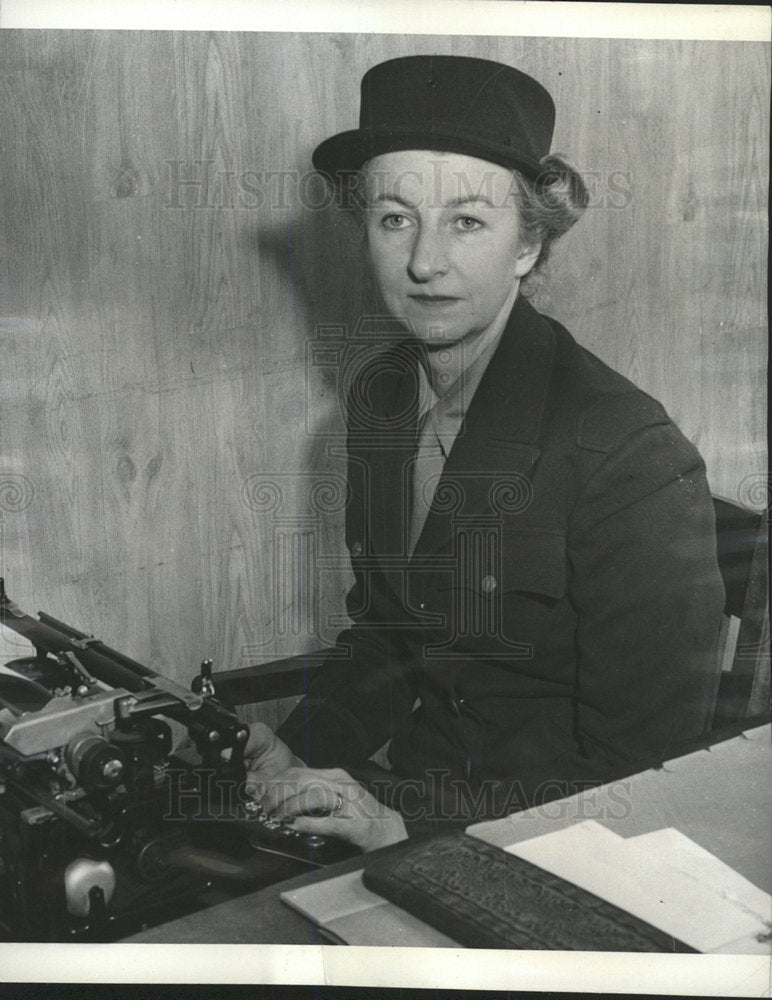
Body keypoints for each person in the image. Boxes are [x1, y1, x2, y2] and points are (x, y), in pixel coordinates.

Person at [244, 56, 725, 852]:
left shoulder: (630, 456)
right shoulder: (383, 398)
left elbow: (645, 769)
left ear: (528, 244)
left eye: (467, 221)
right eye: (395, 218)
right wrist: (301, 750)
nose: (425, 262)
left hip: (548, 845)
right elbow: (389, 640)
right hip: (408, 804)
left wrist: (406, 828)